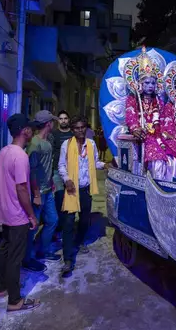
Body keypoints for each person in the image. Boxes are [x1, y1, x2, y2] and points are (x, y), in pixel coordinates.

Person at [0, 114, 41, 312]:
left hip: (4, 212)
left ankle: (1, 288)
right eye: (30, 128)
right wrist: (31, 215)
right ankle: (15, 301)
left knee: (4, 252)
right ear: (25, 131)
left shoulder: (4, 151)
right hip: (17, 214)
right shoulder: (20, 156)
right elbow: (22, 189)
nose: (32, 131)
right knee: (15, 258)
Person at [58, 115, 111, 275]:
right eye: (77, 128)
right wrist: (66, 179)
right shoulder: (66, 145)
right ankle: (68, 259)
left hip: (86, 189)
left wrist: (106, 165)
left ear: (86, 129)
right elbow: (61, 165)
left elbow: (94, 162)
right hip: (71, 189)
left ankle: (79, 242)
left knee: (84, 220)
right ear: (73, 130)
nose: (80, 130)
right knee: (67, 223)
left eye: (83, 127)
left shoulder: (91, 144)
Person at [125, 46, 176, 180]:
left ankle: (169, 184)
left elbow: (164, 119)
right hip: (143, 134)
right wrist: (135, 128)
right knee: (157, 156)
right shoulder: (133, 99)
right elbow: (131, 117)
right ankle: (156, 185)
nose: (150, 86)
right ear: (139, 83)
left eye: (153, 83)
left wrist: (168, 133)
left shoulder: (159, 101)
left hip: (159, 133)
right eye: (146, 82)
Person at [22, 110, 61, 273]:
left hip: (47, 189)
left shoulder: (47, 142)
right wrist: (36, 194)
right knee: (33, 225)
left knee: (52, 220)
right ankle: (27, 259)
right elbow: (31, 171)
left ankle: (42, 251)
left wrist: (50, 182)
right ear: (48, 124)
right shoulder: (35, 144)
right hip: (38, 192)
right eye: (52, 121)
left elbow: (45, 167)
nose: (53, 124)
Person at [50, 110, 74, 241]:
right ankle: (57, 228)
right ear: (58, 120)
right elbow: (51, 153)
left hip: (71, 172)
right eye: (61, 118)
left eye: (65, 118)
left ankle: (67, 227)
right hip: (57, 172)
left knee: (70, 200)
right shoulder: (54, 134)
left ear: (68, 120)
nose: (63, 120)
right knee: (59, 198)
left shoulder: (72, 134)